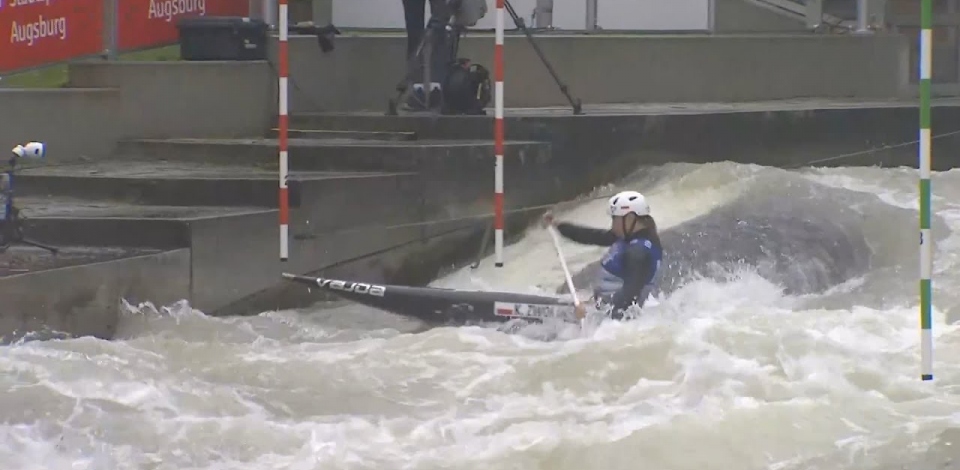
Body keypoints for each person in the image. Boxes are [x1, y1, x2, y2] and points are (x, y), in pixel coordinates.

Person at [542, 190, 663, 320]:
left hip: (612, 321)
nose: (613, 226)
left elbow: (628, 298)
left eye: (615, 219)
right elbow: (592, 236)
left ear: (630, 218)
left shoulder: (638, 252)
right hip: (603, 310)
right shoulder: (628, 237)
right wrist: (558, 225)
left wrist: (589, 313)